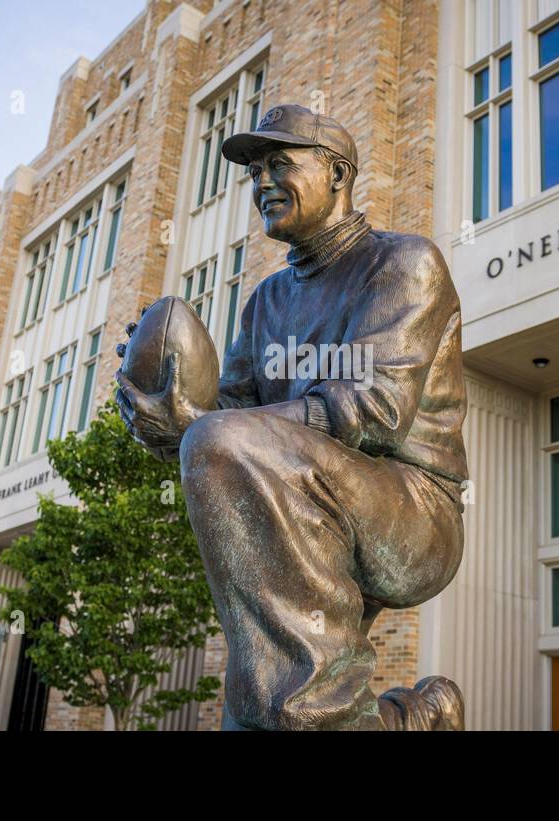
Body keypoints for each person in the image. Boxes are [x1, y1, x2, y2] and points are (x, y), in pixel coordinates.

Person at [115, 105, 468, 730]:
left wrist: (210, 428)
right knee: (267, 682)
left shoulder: (404, 263)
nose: (262, 184)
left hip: (413, 508)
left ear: (336, 173)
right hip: (307, 494)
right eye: (254, 173)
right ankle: (404, 720)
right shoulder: (267, 299)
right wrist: (165, 408)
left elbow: (377, 409)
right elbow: (232, 413)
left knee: (222, 442)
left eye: (280, 164)